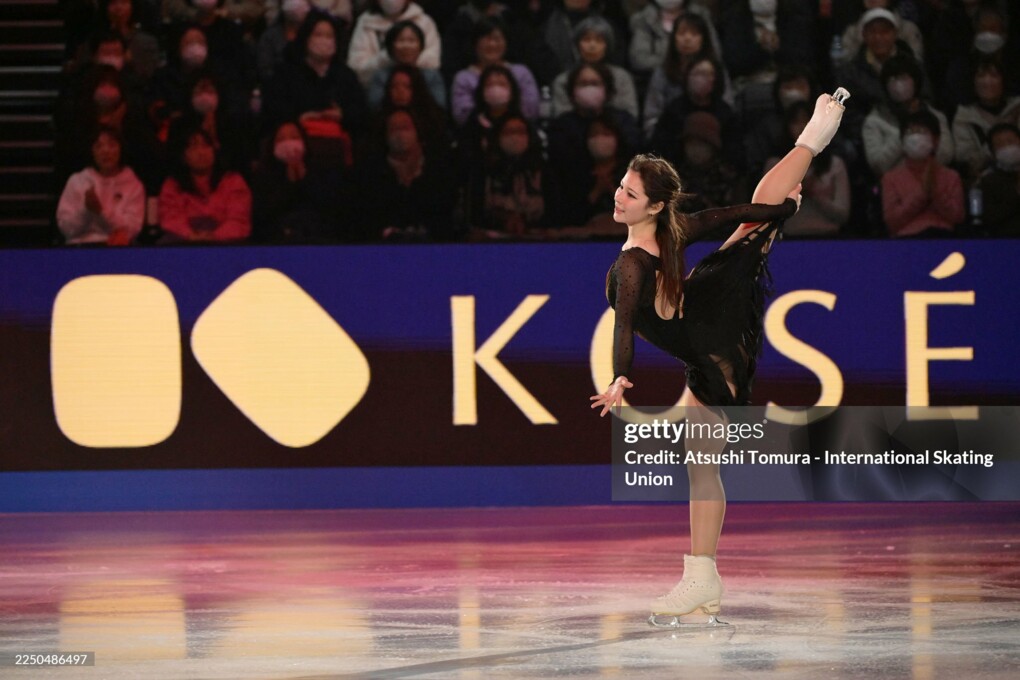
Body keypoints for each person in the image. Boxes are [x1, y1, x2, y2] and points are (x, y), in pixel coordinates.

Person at [589, 87, 850, 625]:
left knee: (702, 464)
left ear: (654, 206)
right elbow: (739, 212)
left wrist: (619, 376)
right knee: (701, 462)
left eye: (630, 194)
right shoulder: (671, 229)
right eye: (621, 187)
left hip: (711, 343)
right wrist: (780, 211)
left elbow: (624, 325)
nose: (619, 197)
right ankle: (812, 139)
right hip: (705, 324)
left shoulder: (633, 265)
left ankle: (702, 577)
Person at [158, 127, 252, 242]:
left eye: (206, 146)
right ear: (183, 156)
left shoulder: (233, 181)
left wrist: (214, 237)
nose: (201, 152)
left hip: (224, 243)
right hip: (184, 242)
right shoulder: (172, 185)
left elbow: (238, 221)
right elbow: (170, 220)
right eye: (193, 147)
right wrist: (191, 235)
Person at [880, 110, 964, 238]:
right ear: (902, 141)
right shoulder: (890, 178)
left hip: (943, 240)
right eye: (910, 132)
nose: (915, 137)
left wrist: (935, 192)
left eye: (922, 131)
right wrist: (922, 193)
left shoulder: (951, 176)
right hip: (906, 241)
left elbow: (957, 216)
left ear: (936, 140)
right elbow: (892, 221)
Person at [57, 126, 145, 245]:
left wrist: (101, 212)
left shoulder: (133, 185)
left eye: (112, 145)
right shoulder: (77, 181)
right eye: (98, 146)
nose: (105, 151)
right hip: (79, 247)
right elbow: (66, 229)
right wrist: (86, 211)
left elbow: (132, 229)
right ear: (91, 151)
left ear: (121, 149)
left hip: (115, 248)